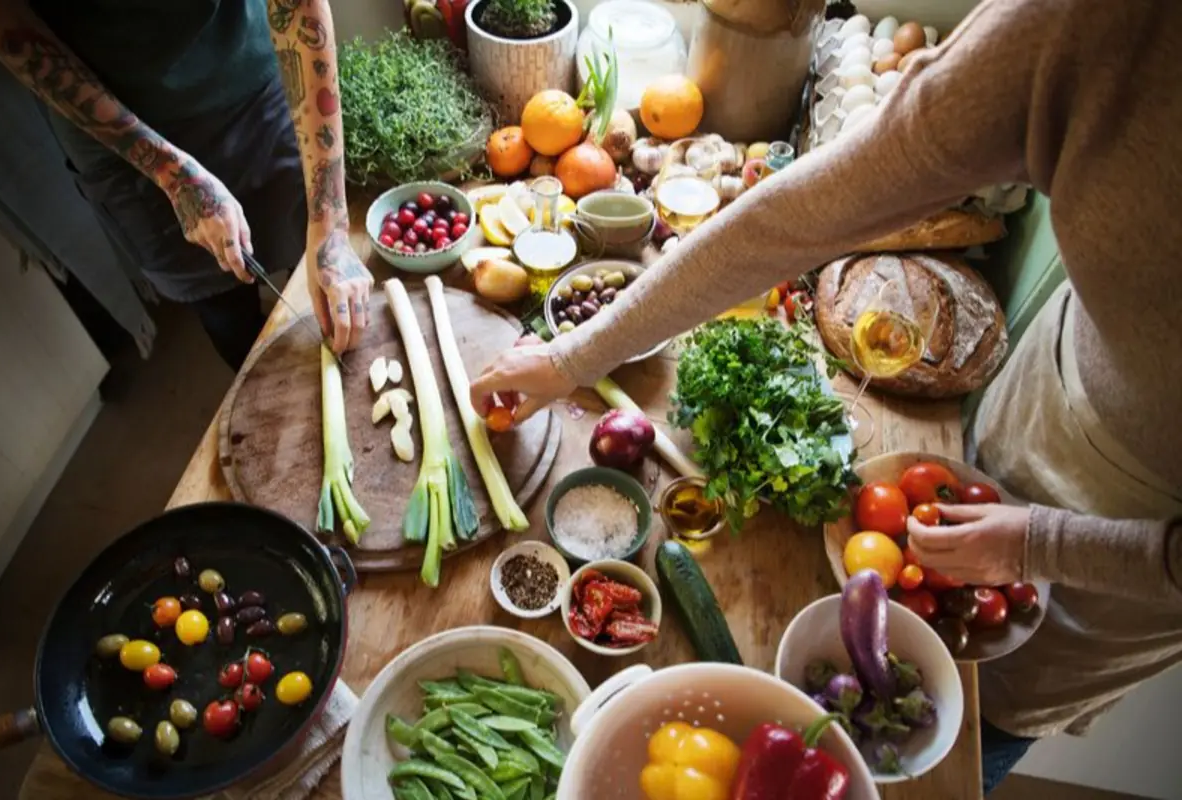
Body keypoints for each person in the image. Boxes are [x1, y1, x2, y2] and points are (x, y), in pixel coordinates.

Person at [470, 0, 1182, 793]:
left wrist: (1044, 545)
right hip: (1048, 391)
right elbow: (797, 216)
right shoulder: (1098, 24)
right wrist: (575, 354)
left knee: (952, 727)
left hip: (1137, 560)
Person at [0, 0, 373, 370]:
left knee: (304, 236)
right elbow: (7, 25)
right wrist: (169, 172)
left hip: (244, 75)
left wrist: (331, 224)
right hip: (113, 127)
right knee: (217, 296)